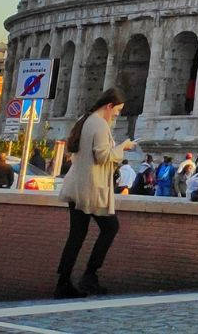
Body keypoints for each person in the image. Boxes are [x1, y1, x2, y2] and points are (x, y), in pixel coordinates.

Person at [54, 88, 136, 298]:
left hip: (77, 185)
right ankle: (89, 276)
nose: (116, 115)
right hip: (91, 188)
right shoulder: (99, 124)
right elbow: (102, 156)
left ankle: (64, 282)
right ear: (109, 106)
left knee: (77, 235)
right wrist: (123, 147)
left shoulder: (85, 118)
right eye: (116, 111)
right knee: (110, 228)